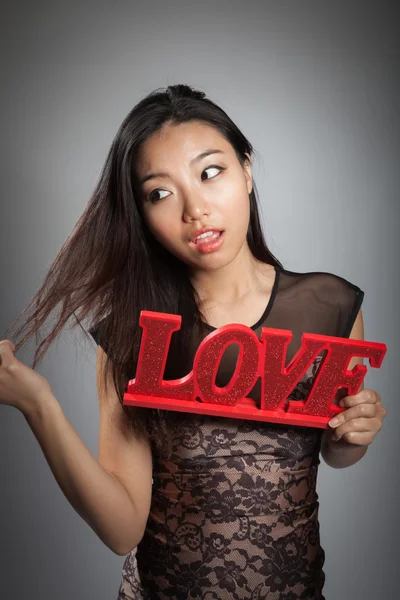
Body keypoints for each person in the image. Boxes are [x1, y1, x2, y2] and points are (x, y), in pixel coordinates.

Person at [0, 84, 386, 600]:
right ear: (141, 213)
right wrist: (38, 405)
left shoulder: (333, 308)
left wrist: (349, 437)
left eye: (210, 173)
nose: (195, 209)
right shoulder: (133, 334)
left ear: (246, 170)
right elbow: (121, 531)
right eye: (160, 192)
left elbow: (334, 454)